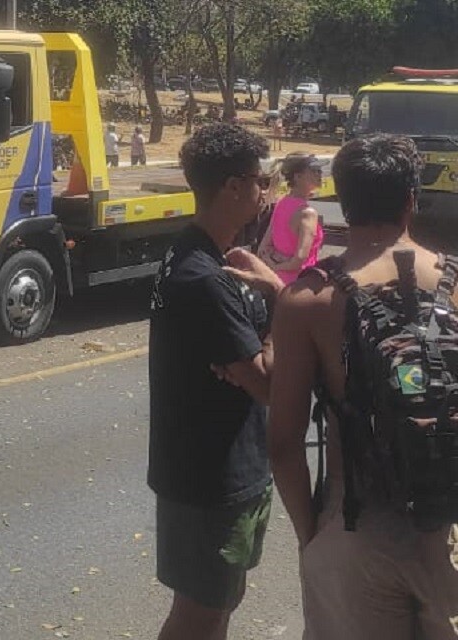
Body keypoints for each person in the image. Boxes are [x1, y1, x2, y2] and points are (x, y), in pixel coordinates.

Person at [230, 134, 458, 639]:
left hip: (356, 521)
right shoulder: (455, 283)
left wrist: (314, 536)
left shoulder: (309, 301)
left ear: (344, 203)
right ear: (410, 201)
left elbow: (284, 444)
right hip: (448, 525)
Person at [149, 123, 278, 640]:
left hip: (229, 470)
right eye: (259, 180)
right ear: (231, 188)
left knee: (222, 601)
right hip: (210, 483)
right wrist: (280, 300)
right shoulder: (202, 278)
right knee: (200, 613)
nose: (265, 191)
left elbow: (253, 364)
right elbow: (269, 384)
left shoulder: (210, 259)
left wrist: (256, 333)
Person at [256, 153, 324, 284]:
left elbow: (263, 247)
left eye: (320, 170)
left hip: (275, 281)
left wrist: (273, 267)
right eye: (314, 170)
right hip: (300, 284)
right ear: (298, 176)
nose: (320, 174)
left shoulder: (281, 203)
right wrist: (277, 266)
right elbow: (300, 259)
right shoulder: (307, 213)